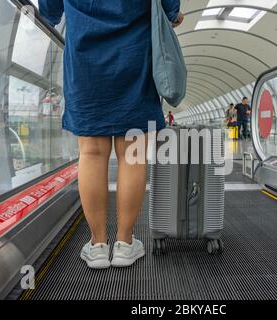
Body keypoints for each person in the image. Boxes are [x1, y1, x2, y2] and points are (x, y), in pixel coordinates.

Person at [39, 1, 183, 269]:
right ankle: (125, 245)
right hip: (136, 56)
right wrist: (174, 15)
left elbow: (49, 10)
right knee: (132, 154)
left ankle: (97, 246)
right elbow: (170, 7)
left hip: (85, 63)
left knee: (91, 153)